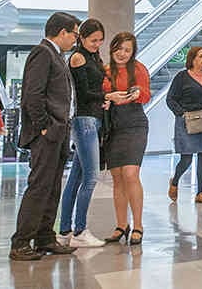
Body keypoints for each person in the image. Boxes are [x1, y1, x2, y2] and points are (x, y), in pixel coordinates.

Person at [10, 12, 81, 261]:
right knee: (40, 187)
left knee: (52, 188)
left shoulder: (57, 56)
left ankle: (44, 237)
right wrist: (44, 127)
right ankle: (20, 242)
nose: (75, 39)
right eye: (74, 34)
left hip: (60, 131)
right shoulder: (43, 53)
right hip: (48, 133)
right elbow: (33, 94)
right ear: (62, 32)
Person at [58, 19, 119, 248]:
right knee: (90, 177)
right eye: (93, 40)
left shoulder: (92, 57)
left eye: (100, 41)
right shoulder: (78, 57)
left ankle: (65, 230)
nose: (97, 44)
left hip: (91, 120)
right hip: (84, 121)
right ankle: (80, 230)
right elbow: (83, 93)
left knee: (75, 179)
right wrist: (106, 97)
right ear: (82, 38)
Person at [103, 32, 151, 245]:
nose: (122, 54)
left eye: (127, 50)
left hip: (135, 123)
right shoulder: (105, 71)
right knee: (117, 178)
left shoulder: (138, 68)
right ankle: (121, 225)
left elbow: (146, 94)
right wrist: (107, 98)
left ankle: (138, 225)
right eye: (118, 48)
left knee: (131, 173)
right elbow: (99, 95)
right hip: (113, 126)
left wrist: (136, 93)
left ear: (132, 53)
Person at [167, 47, 202, 204]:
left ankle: (200, 193)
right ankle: (175, 182)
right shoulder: (182, 77)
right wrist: (181, 113)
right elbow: (170, 99)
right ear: (192, 59)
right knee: (186, 158)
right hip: (186, 121)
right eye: (201, 56)